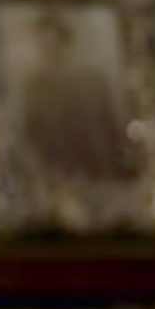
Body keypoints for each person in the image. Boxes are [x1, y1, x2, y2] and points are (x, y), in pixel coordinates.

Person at [20, 11, 133, 181]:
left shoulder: (93, 83)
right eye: (44, 47)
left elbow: (112, 132)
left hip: (98, 171)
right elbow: (30, 138)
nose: (50, 52)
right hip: (56, 176)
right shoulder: (35, 88)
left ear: (66, 44)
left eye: (54, 45)